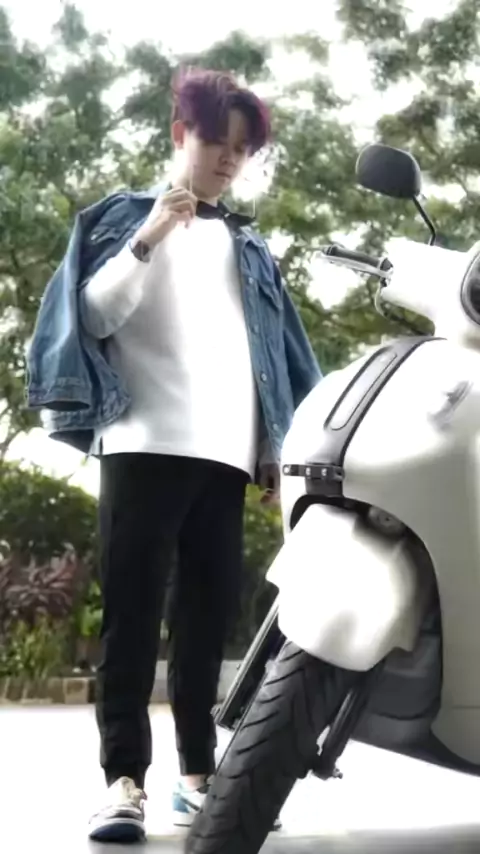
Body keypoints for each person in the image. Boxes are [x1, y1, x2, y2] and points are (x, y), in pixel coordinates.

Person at [26, 67, 322, 843]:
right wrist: (150, 236)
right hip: (141, 444)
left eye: (242, 149)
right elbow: (94, 319)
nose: (228, 159)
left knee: (204, 623)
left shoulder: (250, 248)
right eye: (216, 141)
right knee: (130, 620)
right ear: (180, 134)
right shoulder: (122, 220)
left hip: (224, 458)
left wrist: (274, 450)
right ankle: (122, 783)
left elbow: (273, 361)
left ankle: (197, 778)